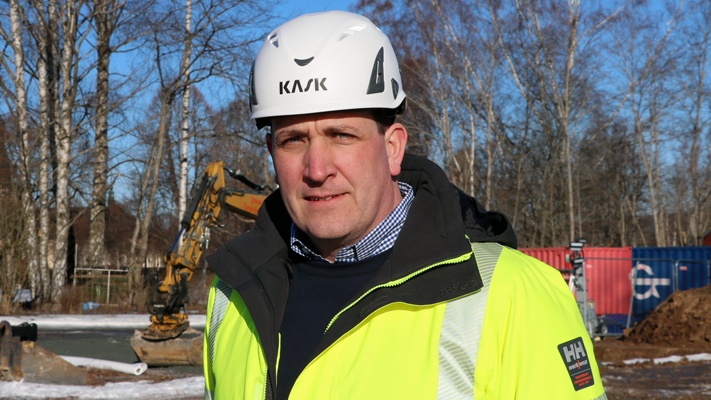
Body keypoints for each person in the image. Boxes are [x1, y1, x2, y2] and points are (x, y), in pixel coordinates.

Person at [203, 10, 607, 400]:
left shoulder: (516, 295)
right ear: (271, 151)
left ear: (393, 147)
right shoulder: (232, 297)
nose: (317, 169)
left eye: (342, 136)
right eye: (293, 140)